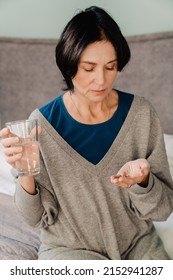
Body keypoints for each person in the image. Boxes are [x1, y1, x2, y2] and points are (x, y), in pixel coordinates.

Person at [0, 6, 173, 260]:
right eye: (89, 68)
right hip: (69, 252)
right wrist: (26, 173)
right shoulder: (41, 124)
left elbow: (163, 210)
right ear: (69, 65)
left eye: (110, 67)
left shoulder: (141, 115)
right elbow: (35, 218)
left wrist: (143, 182)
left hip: (138, 247)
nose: (101, 80)